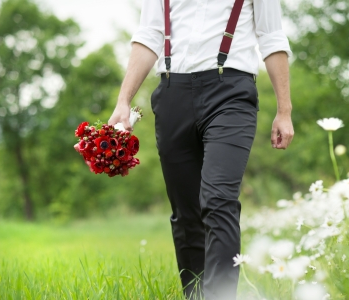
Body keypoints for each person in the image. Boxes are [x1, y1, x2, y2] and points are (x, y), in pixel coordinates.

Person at [108, 0, 294, 298]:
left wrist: (284, 110)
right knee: (186, 211)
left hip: (231, 93)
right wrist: (123, 100)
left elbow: (272, 37)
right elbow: (149, 34)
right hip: (172, 93)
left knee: (218, 199)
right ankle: (194, 295)